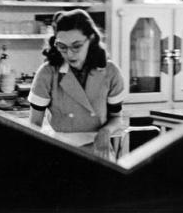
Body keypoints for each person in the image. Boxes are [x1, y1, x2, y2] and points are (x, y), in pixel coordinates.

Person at [28, 9, 126, 160]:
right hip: (61, 150)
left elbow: (117, 117)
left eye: (76, 46)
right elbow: (34, 123)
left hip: (99, 151)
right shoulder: (47, 73)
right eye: (62, 47)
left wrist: (105, 132)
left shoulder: (110, 72)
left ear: (91, 39)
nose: (70, 54)